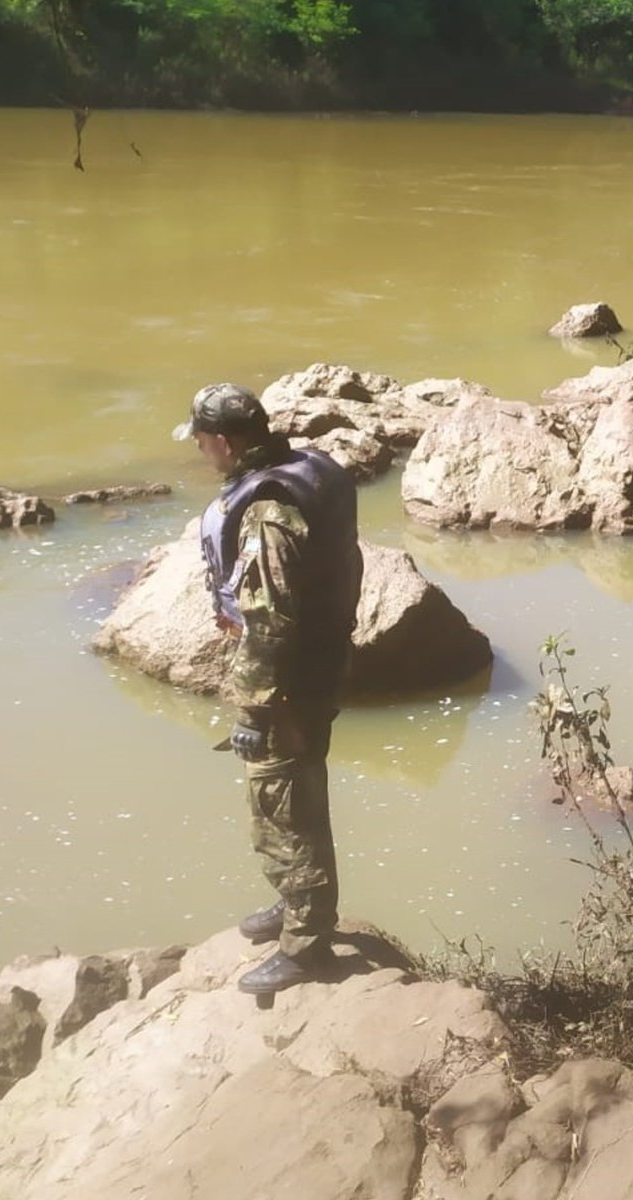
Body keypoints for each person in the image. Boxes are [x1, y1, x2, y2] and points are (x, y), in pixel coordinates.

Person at [175, 383, 363, 995]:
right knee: (298, 794)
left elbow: (270, 618)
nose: (201, 451)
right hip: (317, 664)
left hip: (286, 681)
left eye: (202, 441)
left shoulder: (268, 508)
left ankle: (307, 947)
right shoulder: (304, 469)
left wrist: (255, 706)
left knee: (283, 810)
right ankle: (295, 904)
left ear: (224, 442)